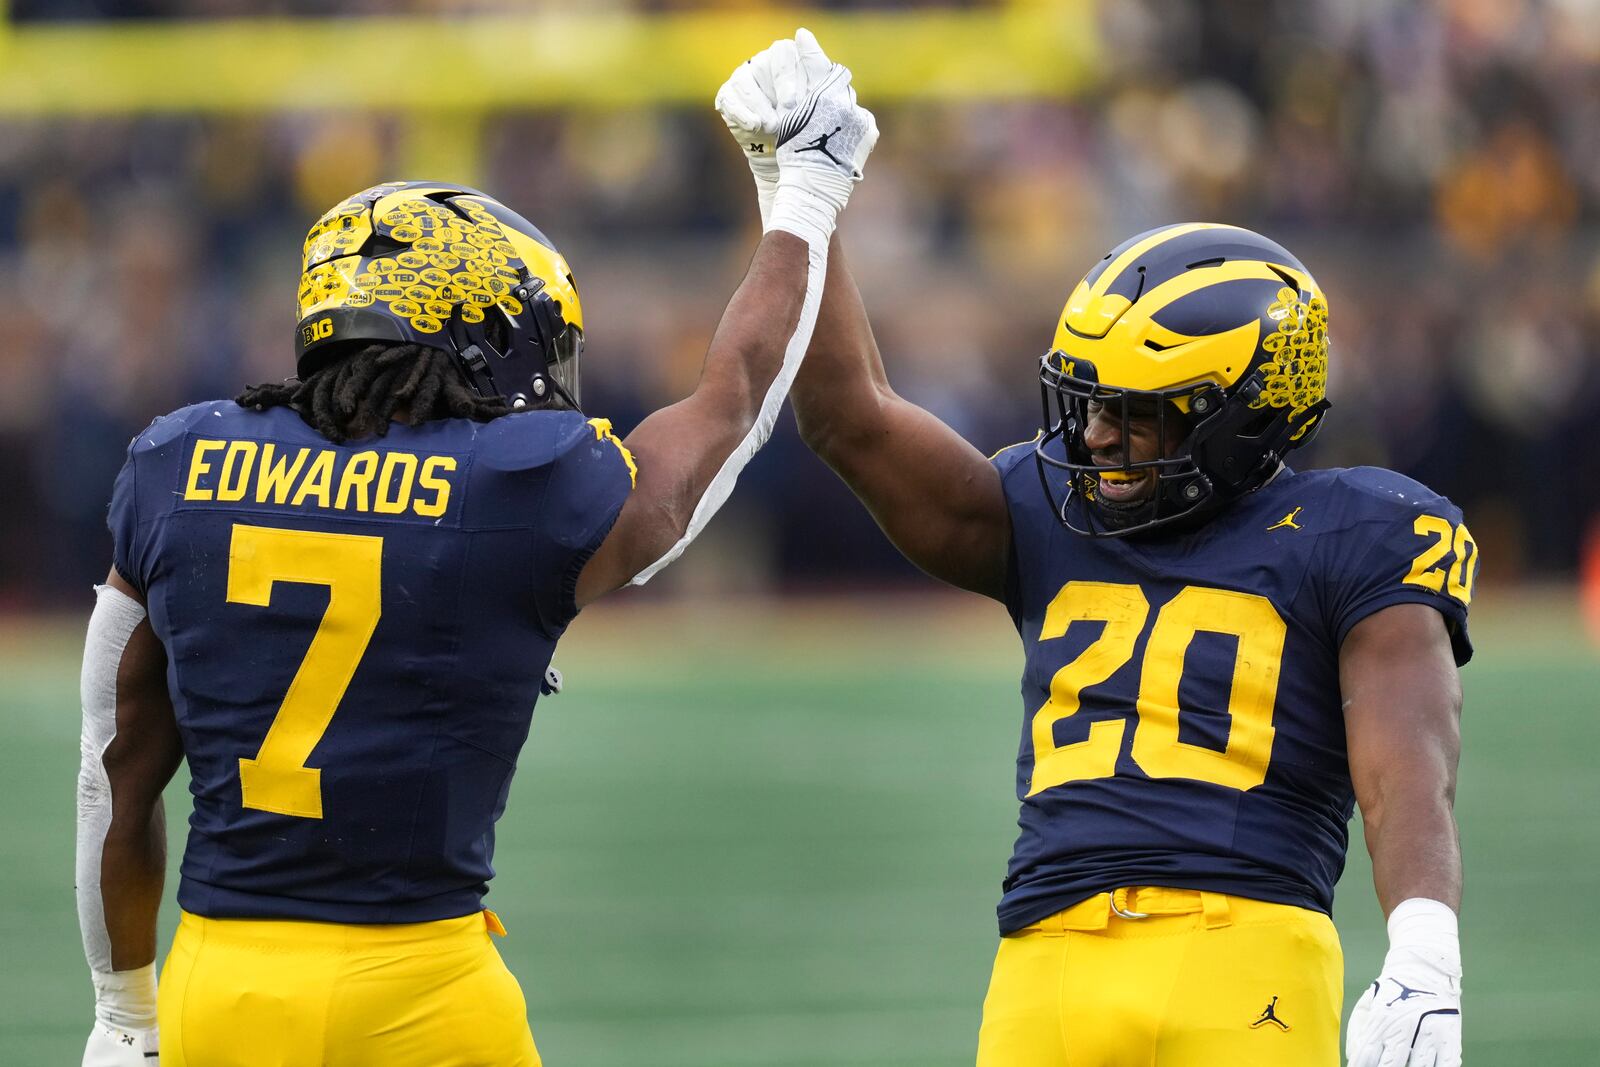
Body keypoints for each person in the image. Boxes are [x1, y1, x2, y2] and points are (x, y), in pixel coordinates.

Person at [76, 56, 879, 1066]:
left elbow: (113, 767)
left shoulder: (174, 459)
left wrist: (122, 1008)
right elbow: (732, 401)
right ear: (470, 329)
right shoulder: (515, 481)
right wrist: (803, 188)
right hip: (420, 991)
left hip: (218, 987)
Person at [717, 39, 1472, 1067]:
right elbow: (850, 418)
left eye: (1137, 413)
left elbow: (1404, 755)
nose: (1097, 438)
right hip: (1047, 955)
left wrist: (1423, 945)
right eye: (1086, 406)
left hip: (1242, 945)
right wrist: (801, 189)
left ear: (1240, 415)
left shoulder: (1357, 527)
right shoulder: (1045, 508)